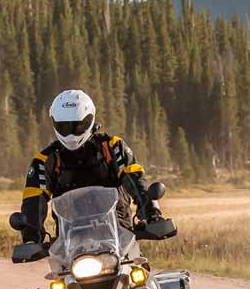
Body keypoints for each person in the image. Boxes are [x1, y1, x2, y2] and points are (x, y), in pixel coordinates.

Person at [18, 89, 168, 244]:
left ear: (90, 121)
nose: (71, 133)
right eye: (64, 126)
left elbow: (135, 180)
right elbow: (33, 200)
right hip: (70, 245)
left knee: (137, 267)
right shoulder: (44, 161)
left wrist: (152, 213)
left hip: (120, 236)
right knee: (55, 269)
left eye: (78, 126)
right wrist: (31, 236)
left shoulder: (112, 147)